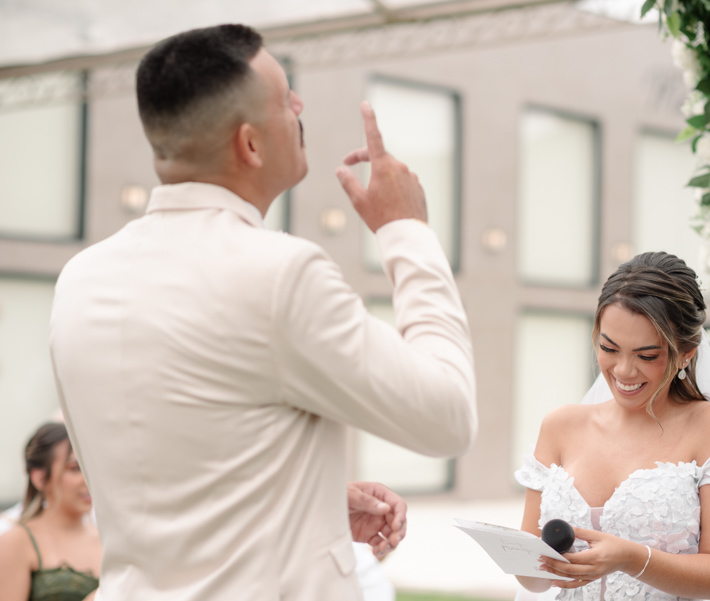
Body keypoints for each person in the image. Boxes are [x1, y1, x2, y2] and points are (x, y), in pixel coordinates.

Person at [48, 24, 477, 600]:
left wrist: (309, 504)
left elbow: (165, 462)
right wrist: (406, 229)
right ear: (250, 144)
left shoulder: (80, 278)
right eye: (285, 98)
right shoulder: (281, 273)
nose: (299, 107)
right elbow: (447, 415)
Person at [514, 252, 710, 601]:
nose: (623, 371)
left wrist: (632, 559)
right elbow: (532, 580)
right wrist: (528, 560)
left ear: (687, 353)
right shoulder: (560, 426)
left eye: (646, 356)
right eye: (609, 348)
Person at [0, 422, 102, 601]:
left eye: (90, 468)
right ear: (40, 477)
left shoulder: (108, 540)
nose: (87, 480)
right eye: (75, 468)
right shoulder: (17, 541)